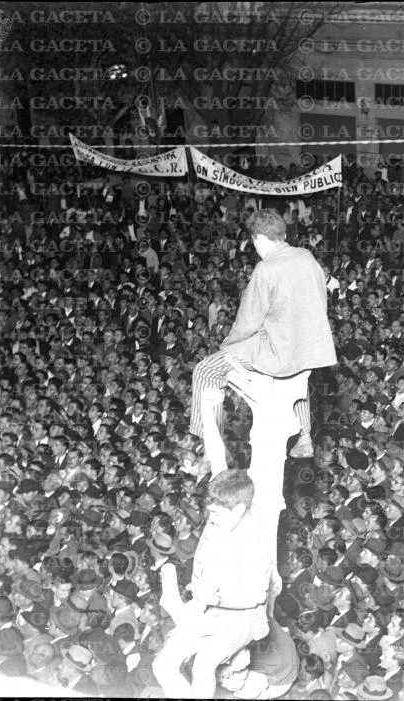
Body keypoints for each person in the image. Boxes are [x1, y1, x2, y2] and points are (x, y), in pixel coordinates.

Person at [189, 208, 337, 465]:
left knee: (204, 371)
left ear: (257, 238)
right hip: (311, 348)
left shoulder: (265, 268)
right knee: (295, 379)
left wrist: (228, 344)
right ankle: (304, 437)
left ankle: (207, 445)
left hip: (277, 351)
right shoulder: (305, 255)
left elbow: (248, 319)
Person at [152, 469, 273, 698]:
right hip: (204, 608)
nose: (210, 519)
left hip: (239, 617)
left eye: (215, 514)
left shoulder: (255, 543)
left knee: (203, 666)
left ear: (238, 510)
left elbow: (256, 597)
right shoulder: (218, 519)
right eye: (210, 513)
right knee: (162, 666)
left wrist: (216, 598)